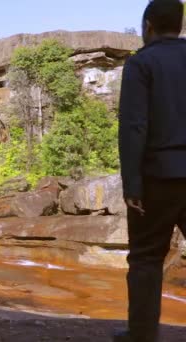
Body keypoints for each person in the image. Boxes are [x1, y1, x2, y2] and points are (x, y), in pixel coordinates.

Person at [117, 0, 186, 341]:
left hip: (159, 175)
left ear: (147, 26)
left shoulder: (141, 63)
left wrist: (132, 184)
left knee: (145, 258)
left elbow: (134, 127)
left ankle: (142, 335)